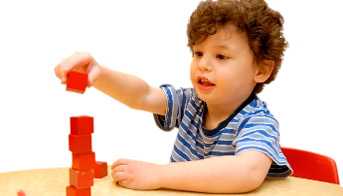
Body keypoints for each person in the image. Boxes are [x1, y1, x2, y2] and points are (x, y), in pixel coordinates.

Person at [55, 0, 292, 193]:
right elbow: (143, 95)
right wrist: (99, 74)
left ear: (261, 70)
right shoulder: (190, 103)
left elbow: (246, 172)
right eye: (198, 53)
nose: (203, 65)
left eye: (221, 56)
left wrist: (158, 174)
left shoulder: (258, 122)